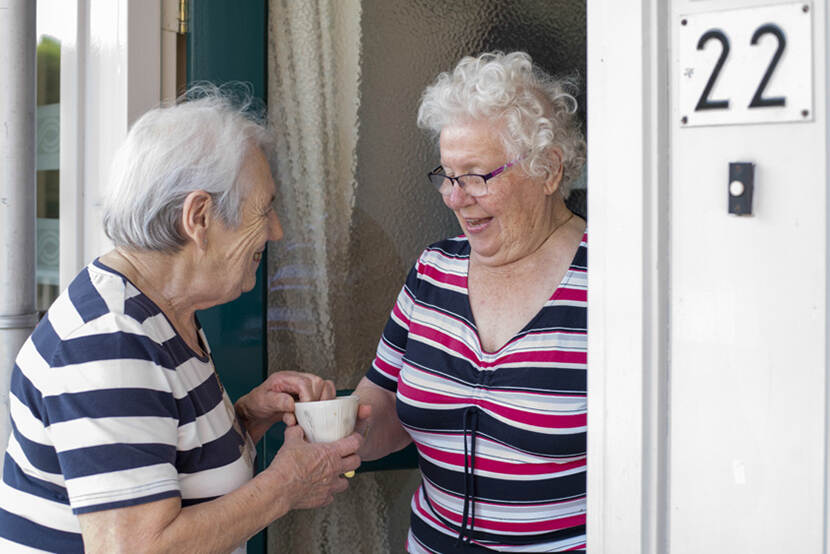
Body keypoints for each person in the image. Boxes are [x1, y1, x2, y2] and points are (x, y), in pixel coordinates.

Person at [0, 87, 365, 553]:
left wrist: (248, 418)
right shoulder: (108, 342)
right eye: (264, 209)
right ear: (199, 217)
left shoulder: (162, 314)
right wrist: (285, 486)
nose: (275, 231)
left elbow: (167, 460)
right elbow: (135, 548)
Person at [355, 51, 587, 552]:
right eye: (447, 174)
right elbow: (384, 407)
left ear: (548, 171)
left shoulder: (611, 284)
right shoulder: (433, 270)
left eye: (477, 175)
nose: (454, 198)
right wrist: (330, 428)